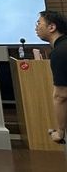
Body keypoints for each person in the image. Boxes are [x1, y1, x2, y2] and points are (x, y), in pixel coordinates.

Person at [35, 10, 67, 144]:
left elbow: (61, 95)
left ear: (52, 27)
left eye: (39, 23)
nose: (36, 28)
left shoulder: (60, 52)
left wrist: (60, 132)